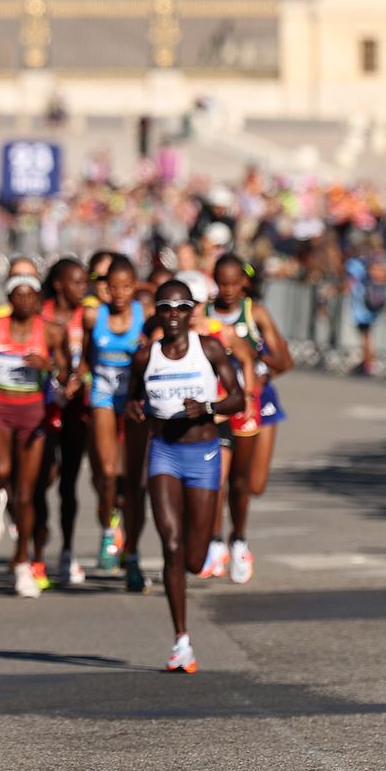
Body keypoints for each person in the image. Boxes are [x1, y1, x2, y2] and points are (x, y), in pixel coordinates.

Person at [126, 280, 246, 673]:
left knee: (194, 558)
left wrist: (209, 407)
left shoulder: (207, 349)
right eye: (167, 307)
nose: (174, 314)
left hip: (204, 454)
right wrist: (134, 409)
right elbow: (131, 397)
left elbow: (239, 397)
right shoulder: (146, 357)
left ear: (192, 310)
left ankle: (205, 554)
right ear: (158, 313)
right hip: (164, 453)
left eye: (181, 307)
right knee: (171, 544)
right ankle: (181, 640)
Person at [202, 254, 291, 585]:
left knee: (249, 484)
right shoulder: (205, 315)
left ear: (244, 283)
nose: (227, 290)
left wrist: (258, 363)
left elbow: (286, 360)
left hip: (257, 404)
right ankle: (215, 543)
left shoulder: (255, 313)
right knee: (216, 480)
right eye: (222, 283)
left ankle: (239, 536)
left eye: (234, 283)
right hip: (222, 405)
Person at [0, 273, 67, 596]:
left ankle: (22, 564)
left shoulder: (50, 330)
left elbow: (65, 369)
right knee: (1, 470)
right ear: (9, 298)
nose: (25, 301)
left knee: (26, 494)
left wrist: (47, 365)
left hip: (33, 412)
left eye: (31, 295)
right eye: (19, 295)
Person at [86, 255, 147, 581]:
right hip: (103, 395)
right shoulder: (94, 315)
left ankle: (133, 552)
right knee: (108, 473)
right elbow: (84, 356)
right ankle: (110, 531)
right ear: (105, 289)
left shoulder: (145, 314)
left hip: (134, 398)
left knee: (135, 480)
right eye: (113, 287)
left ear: (134, 287)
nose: (120, 293)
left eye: (126, 286)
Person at [35, 258, 92, 587]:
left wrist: (79, 376)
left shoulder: (87, 315)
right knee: (40, 479)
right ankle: (37, 548)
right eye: (77, 282)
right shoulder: (39, 312)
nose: (83, 288)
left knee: (69, 482)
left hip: (76, 407)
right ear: (58, 284)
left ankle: (68, 550)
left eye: (85, 282)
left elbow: (89, 353)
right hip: (41, 406)